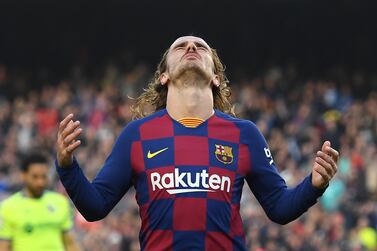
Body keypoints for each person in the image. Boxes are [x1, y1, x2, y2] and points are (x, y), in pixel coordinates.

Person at [55, 36, 339, 250]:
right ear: (164, 76)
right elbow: (95, 207)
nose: (191, 47)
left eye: (200, 47)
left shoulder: (244, 134)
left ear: (216, 78)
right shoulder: (137, 135)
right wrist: (67, 166)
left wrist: (315, 184)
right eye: (181, 47)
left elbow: (279, 207)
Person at [0, 153, 81, 251]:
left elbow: (70, 243)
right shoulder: (8, 207)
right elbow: (4, 246)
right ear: (23, 175)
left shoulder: (60, 203)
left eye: (44, 176)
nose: (40, 182)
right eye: (35, 177)